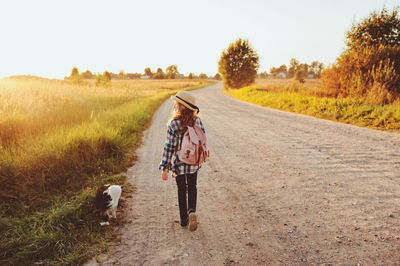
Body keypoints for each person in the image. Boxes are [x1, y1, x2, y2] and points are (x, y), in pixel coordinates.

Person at [159, 91, 206, 231]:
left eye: (177, 104)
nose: (175, 106)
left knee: (181, 189)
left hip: (179, 163)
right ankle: (192, 211)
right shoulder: (197, 121)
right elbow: (202, 141)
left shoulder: (173, 124)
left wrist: (165, 167)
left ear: (183, 107)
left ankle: (183, 220)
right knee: (192, 187)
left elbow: (169, 147)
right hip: (193, 162)